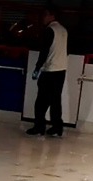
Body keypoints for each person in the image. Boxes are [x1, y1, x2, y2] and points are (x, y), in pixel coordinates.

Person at [27, 7, 68, 137]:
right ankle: (57, 127)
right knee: (56, 100)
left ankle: (39, 127)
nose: (43, 18)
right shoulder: (63, 30)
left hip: (50, 69)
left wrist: (37, 68)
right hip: (61, 69)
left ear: (51, 16)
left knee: (41, 100)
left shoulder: (49, 30)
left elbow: (44, 51)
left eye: (45, 16)